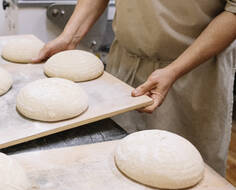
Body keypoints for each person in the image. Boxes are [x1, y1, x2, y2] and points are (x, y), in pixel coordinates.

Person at [33, 0, 236, 176]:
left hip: (194, 74)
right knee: (115, 164)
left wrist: (174, 70)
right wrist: (70, 36)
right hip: (125, 66)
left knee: (186, 176)